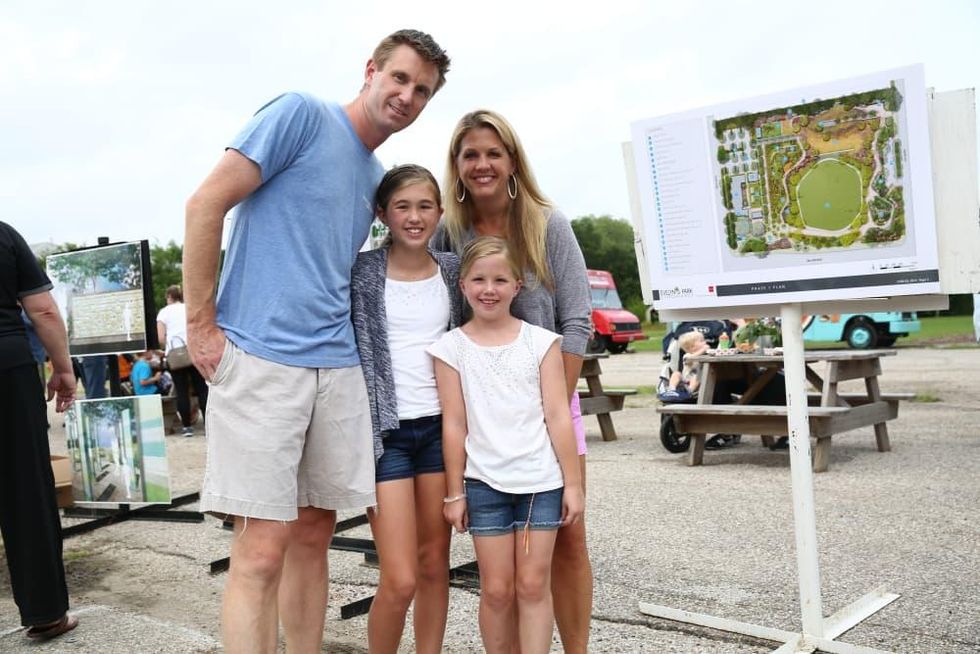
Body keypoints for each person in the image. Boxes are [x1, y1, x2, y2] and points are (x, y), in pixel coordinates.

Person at [182, 30, 449, 652]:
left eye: (423, 91)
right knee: (261, 547)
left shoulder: (377, 176)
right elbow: (205, 204)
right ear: (371, 71)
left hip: (338, 368)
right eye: (401, 78)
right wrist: (201, 327)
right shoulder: (301, 114)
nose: (408, 96)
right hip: (262, 361)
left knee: (313, 535)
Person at [434, 109, 594, 652]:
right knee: (499, 578)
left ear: (511, 161)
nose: (482, 164)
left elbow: (576, 320)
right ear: (456, 165)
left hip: (551, 401)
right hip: (481, 413)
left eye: (492, 153)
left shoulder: (547, 224)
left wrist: (551, 402)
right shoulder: (445, 232)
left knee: (569, 540)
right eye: (470, 154)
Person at [428, 236, 584, 654]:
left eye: (500, 279)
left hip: (540, 484)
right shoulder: (449, 349)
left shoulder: (542, 342)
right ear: (462, 286)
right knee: (496, 591)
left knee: (533, 585)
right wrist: (454, 492)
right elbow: (454, 424)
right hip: (483, 485)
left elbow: (557, 416)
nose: (488, 289)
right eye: (478, 279)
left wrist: (572, 485)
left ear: (518, 285)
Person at [350, 164, 463, 653]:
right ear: (383, 214)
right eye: (402, 207)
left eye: (424, 206)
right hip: (386, 436)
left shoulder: (454, 271)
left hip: (441, 433)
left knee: (436, 564)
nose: (414, 217)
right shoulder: (363, 273)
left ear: (439, 213)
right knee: (399, 577)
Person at [0, 221, 78, 640]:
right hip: (6, 370)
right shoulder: (4, 235)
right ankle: (45, 611)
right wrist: (63, 368)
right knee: (24, 488)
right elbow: (43, 310)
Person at [157, 285, 207, 436]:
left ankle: (187, 427)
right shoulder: (189, 308)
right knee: (202, 389)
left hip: (175, 357)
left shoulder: (163, 313)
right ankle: (208, 424)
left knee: (181, 391)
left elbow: (160, 338)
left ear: (169, 297)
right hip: (193, 351)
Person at [665, 330, 709, 398]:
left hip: (697, 381)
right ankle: (672, 389)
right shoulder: (687, 355)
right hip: (685, 379)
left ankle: (690, 390)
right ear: (692, 347)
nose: (705, 342)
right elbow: (690, 359)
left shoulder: (706, 354)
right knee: (676, 373)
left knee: (697, 377)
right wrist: (703, 350)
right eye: (701, 341)